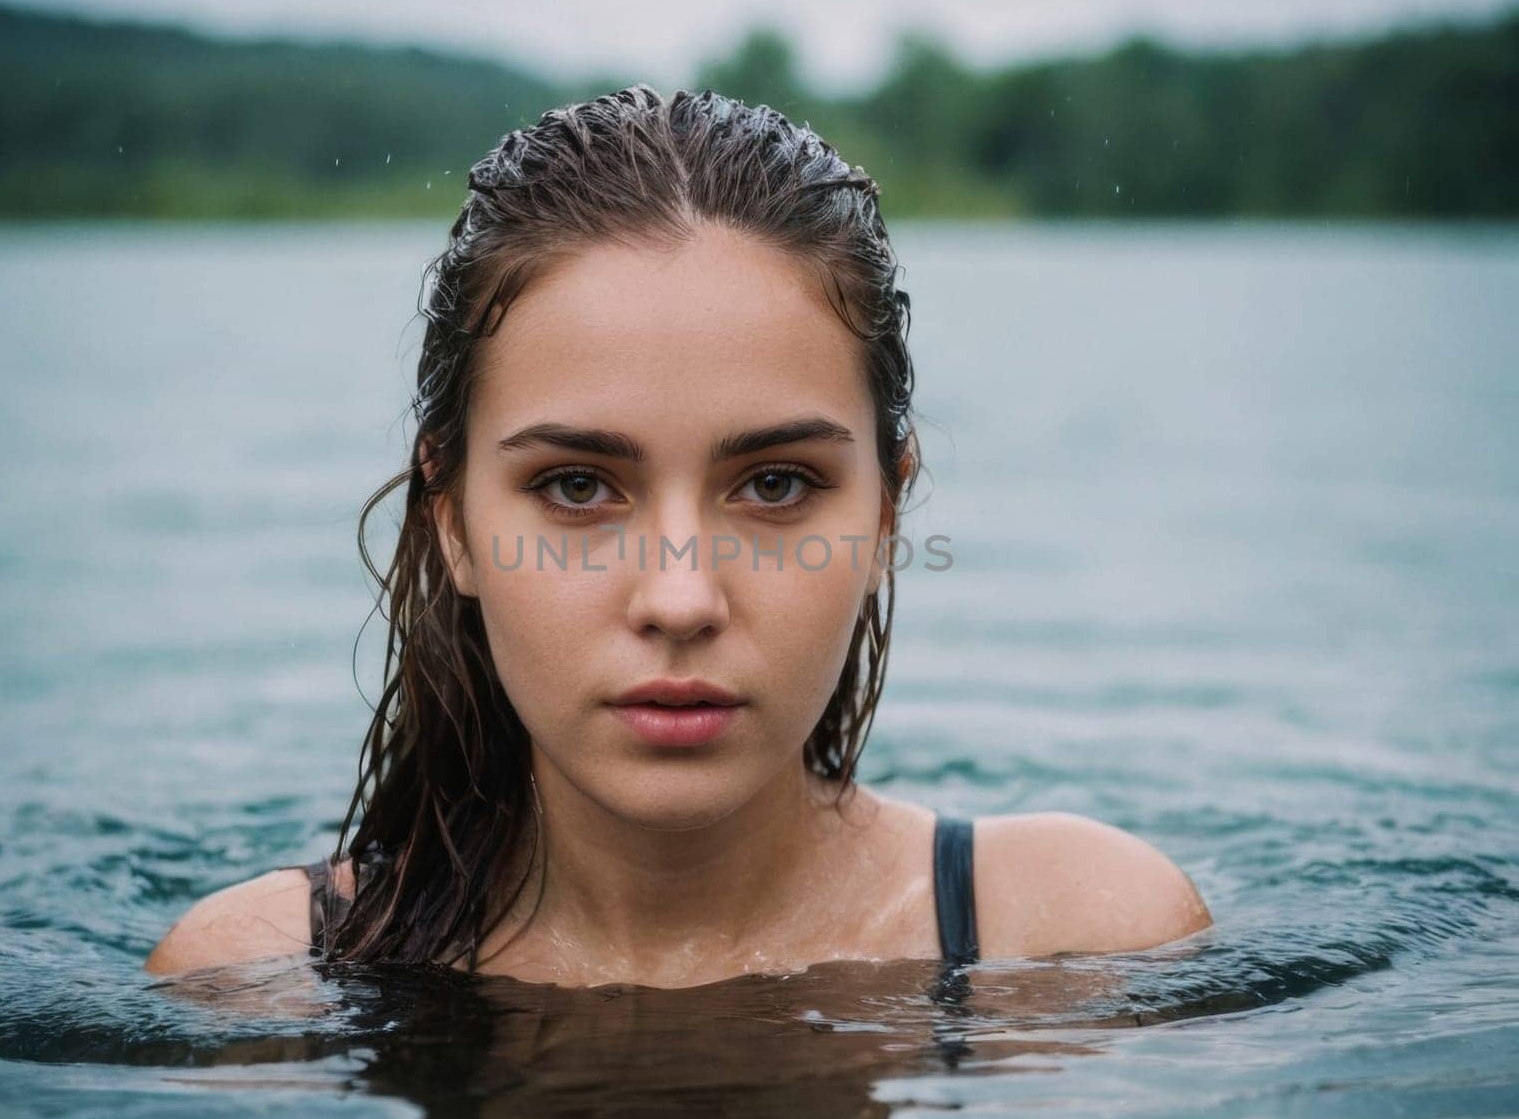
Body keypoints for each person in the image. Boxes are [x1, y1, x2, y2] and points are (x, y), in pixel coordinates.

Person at [144, 85, 1211, 988]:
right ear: (454, 521)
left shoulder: (1070, 946)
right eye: (574, 487)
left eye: (778, 483)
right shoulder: (268, 980)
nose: (681, 598)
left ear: (886, 512)